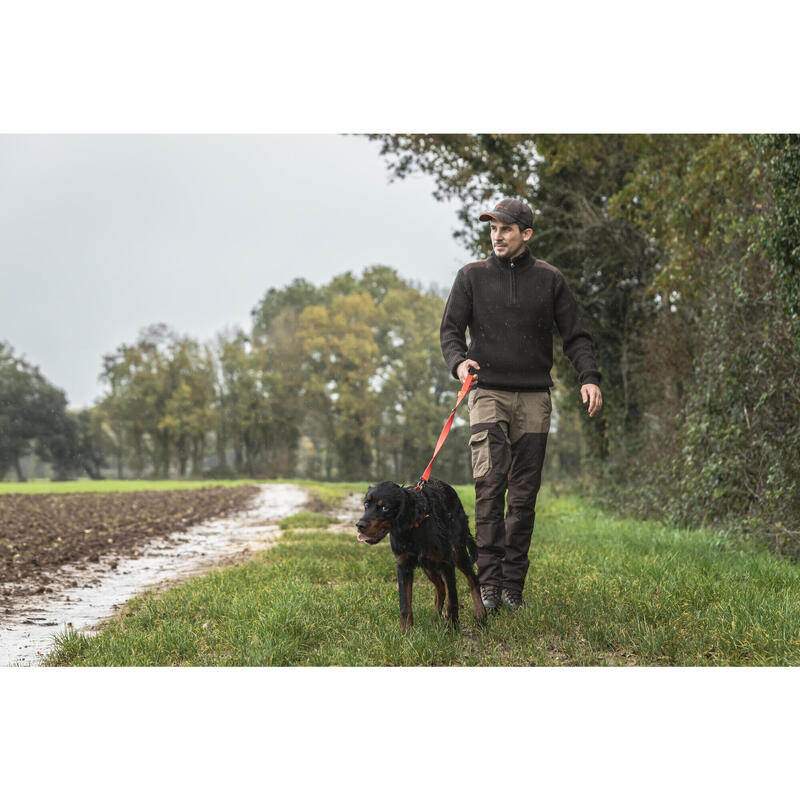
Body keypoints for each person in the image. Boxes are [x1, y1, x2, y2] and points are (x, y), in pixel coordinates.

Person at [440, 198, 602, 611]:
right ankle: (489, 586)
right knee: (490, 488)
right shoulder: (470, 277)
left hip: (534, 397)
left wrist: (589, 378)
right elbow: (451, 331)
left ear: (525, 234)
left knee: (524, 496)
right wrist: (459, 364)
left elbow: (576, 336)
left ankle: (513, 586)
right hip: (487, 392)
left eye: (506, 228)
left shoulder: (549, 280)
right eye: (493, 228)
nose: (497, 235)